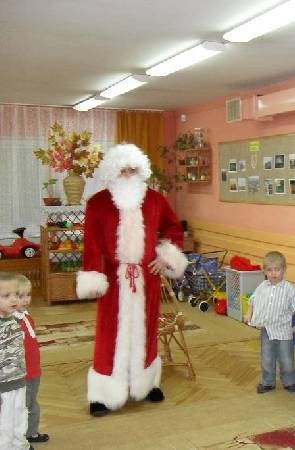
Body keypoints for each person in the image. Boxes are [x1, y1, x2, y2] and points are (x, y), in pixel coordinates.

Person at [76, 143, 188, 417]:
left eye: (132, 170)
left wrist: (165, 257)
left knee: (147, 329)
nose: (127, 175)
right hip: (113, 279)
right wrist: (93, 275)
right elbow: (91, 245)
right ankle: (102, 393)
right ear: (112, 172)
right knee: (108, 333)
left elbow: (173, 228)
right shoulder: (98, 203)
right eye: (122, 170)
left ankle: (147, 383)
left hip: (147, 277)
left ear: (141, 170)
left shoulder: (155, 200)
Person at [243, 251, 295, 394]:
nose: (273, 273)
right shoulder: (262, 286)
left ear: (284, 269)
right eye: (269, 270)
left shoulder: (289, 288)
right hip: (267, 330)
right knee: (267, 358)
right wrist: (249, 313)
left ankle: (290, 382)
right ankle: (268, 382)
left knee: (286, 359)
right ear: (264, 271)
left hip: (284, 331)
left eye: (277, 269)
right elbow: (253, 300)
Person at [14, 274, 49, 444]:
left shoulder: (27, 316)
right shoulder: (12, 322)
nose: (26, 299)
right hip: (22, 373)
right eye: (20, 296)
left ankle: (31, 432)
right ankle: (19, 438)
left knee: (31, 403)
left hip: (34, 370)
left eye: (28, 295)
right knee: (23, 406)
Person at [0, 272, 29, 450]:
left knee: (20, 416)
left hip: (18, 379)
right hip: (3, 385)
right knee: (4, 423)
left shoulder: (14, 319)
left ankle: (20, 445)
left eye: (16, 294)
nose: (14, 299)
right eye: (6, 296)